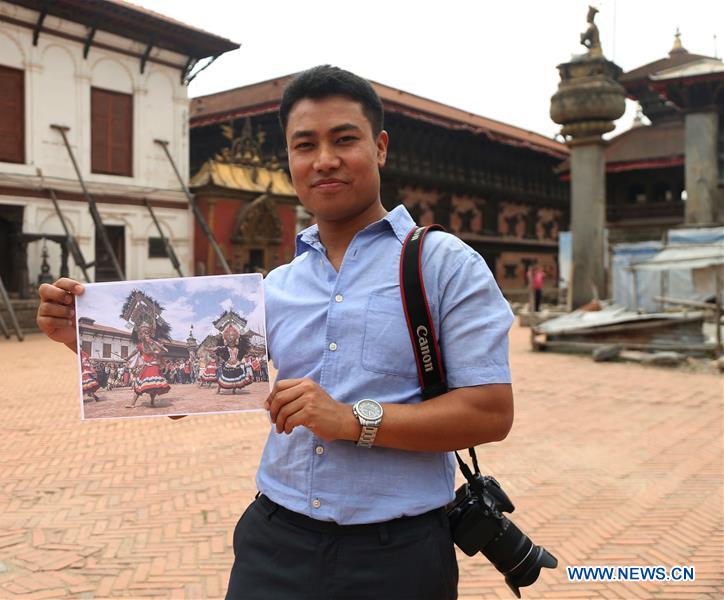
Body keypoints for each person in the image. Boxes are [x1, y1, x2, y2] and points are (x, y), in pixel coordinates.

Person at [36, 65, 514, 599]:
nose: (324, 159)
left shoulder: (444, 265)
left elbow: (490, 412)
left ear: (380, 147)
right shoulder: (275, 287)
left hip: (397, 555)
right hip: (276, 542)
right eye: (304, 145)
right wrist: (87, 340)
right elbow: (198, 392)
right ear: (290, 159)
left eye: (344, 139)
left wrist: (352, 420)